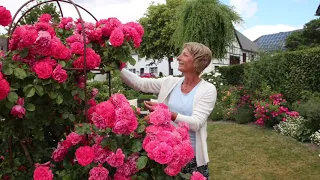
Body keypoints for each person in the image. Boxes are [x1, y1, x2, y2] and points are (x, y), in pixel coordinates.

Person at [120, 42, 217, 178]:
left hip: (192, 157)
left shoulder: (208, 89)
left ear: (197, 61)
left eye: (184, 54)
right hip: (167, 153)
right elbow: (140, 84)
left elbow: (196, 123)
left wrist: (166, 114)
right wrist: (118, 67)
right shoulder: (171, 82)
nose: (178, 57)